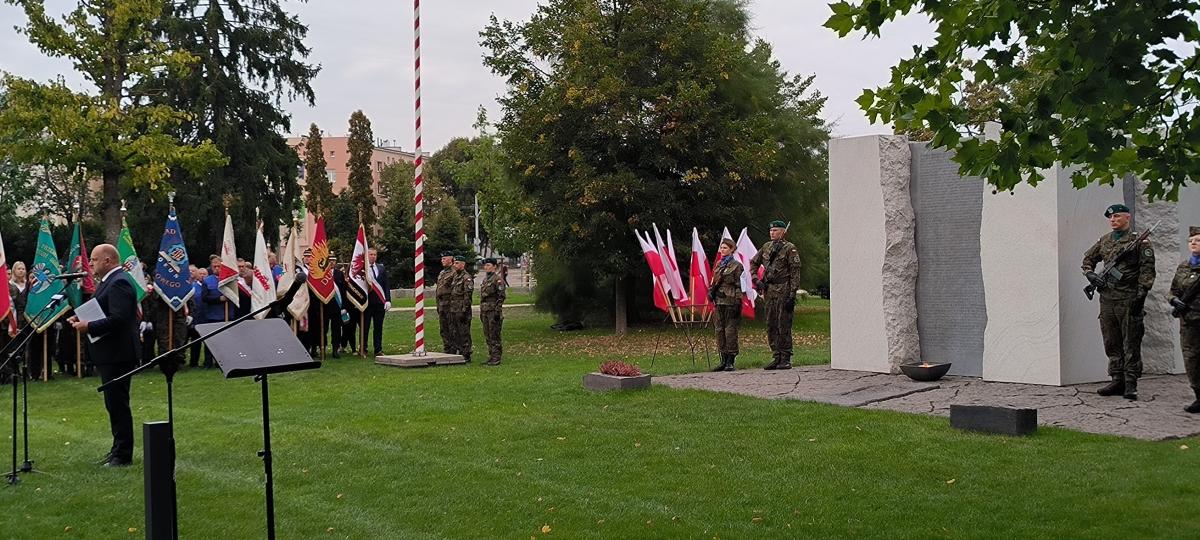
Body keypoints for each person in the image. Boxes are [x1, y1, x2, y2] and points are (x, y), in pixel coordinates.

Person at [68, 244, 138, 468]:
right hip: (109, 352)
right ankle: (117, 449)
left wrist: (89, 326)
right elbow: (102, 310)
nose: (91, 264)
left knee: (118, 404)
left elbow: (119, 319)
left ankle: (123, 454)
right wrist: (80, 318)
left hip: (118, 353)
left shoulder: (119, 282)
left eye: (95, 260)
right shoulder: (108, 282)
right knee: (112, 404)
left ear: (108, 260)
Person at [1081, 203, 1156, 400]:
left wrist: (1141, 295)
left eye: (1117, 217)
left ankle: (1130, 383)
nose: (1113, 220)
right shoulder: (1105, 241)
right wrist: (1091, 275)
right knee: (1111, 340)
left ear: (1127, 218)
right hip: (1107, 299)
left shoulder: (1140, 242)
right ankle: (1117, 379)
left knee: (1130, 341)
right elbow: (1088, 259)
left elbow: (1147, 271)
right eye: (1111, 218)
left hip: (1128, 297)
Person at [749, 220, 802, 370]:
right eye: (771, 231)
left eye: (776, 230)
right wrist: (756, 280)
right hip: (769, 290)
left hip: (784, 289)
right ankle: (776, 356)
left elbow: (795, 273)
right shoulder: (766, 247)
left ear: (783, 232)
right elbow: (753, 263)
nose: (772, 233)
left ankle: (785, 357)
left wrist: (792, 295)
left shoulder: (790, 249)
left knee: (783, 324)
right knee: (771, 324)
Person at [1170, 226, 1200, 413]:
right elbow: (1173, 290)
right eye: (1190, 241)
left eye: (1198, 240)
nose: (1193, 243)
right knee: (1191, 358)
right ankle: (1199, 395)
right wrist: (1175, 300)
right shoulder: (1184, 266)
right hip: (1188, 320)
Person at [709, 238, 744, 372]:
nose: (722, 250)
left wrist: (737, 302)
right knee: (719, 330)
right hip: (719, 301)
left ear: (731, 249)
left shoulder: (737, 265)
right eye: (721, 248)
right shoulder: (719, 264)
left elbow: (740, 285)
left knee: (730, 331)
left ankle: (731, 359)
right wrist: (711, 292)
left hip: (731, 301)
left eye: (725, 248)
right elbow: (714, 281)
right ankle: (723, 358)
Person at [478, 258, 506, 366]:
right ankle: (491, 356)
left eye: (488, 265)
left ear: (494, 266)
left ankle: (496, 357)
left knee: (494, 335)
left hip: (493, 311)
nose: (486, 267)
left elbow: (501, 296)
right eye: (485, 265)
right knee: (488, 334)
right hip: (485, 311)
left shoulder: (497, 280)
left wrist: (497, 311)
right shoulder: (486, 280)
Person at [364, 248, 391, 356]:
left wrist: (388, 300)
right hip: (366, 303)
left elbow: (386, 285)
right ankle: (364, 348)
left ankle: (378, 349)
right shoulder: (363, 269)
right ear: (367, 255)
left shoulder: (381, 268)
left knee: (378, 327)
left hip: (379, 303)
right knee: (365, 327)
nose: (373, 256)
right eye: (371, 254)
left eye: (374, 254)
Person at [450, 255, 474, 362]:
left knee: (464, 332)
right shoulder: (455, 276)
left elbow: (467, 296)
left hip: (462, 309)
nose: (455, 265)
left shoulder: (466, 278)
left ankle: (466, 353)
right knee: (455, 332)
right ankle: (459, 352)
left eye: (457, 263)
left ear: (463, 264)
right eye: (454, 263)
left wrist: (465, 310)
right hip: (454, 309)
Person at [435, 252, 456, 354]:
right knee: (443, 328)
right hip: (442, 303)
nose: (442, 261)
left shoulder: (454, 272)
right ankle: (447, 347)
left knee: (451, 327)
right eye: (442, 259)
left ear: (450, 259)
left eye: (444, 259)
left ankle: (453, 348)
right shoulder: (442, 273)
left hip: (450, 304)